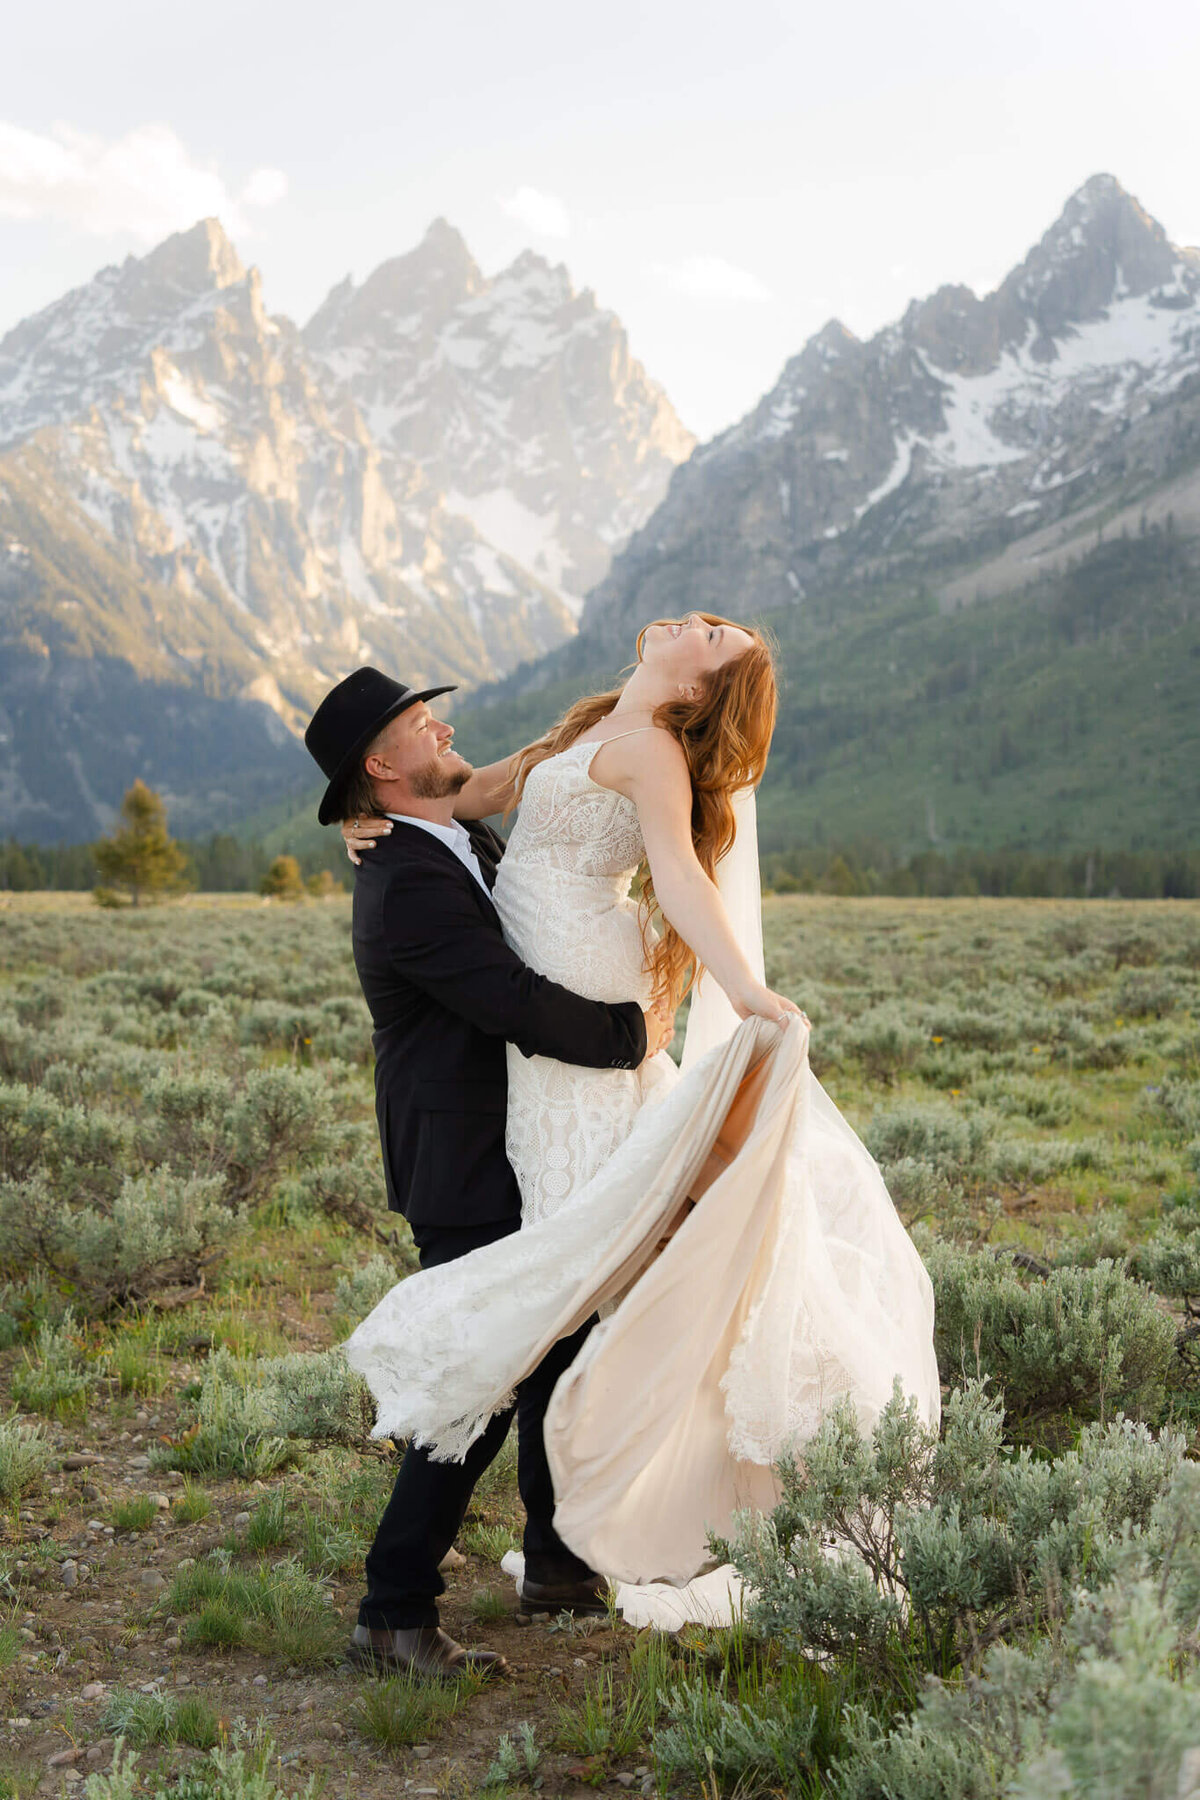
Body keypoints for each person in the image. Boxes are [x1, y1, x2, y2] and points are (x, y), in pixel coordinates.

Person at [339, 616, 942, 1630]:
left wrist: (744, 988)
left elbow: (678, 872)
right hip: (539, 1051)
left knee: (553, 1302)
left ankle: (525, 1567)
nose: (694, 620)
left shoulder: (655, 749)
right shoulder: (582, 730)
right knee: (554, 1310)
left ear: (702, 689)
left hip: (583, 1026)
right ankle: (527, 1568)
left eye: (716, 633)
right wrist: (361, 815)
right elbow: (469, 792)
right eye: (706, 616)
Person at [302, 667, 673, 1680]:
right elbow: (505, 997)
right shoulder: (406, 883)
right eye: (426, 725)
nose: (447, 726)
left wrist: (647, 701)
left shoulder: (438, 838)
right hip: (461, 1155)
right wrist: (631, 1037)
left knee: (556, 1347)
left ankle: (556, 1565)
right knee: (482, 1377)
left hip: (513, 1138)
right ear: (384, 766)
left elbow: (532, 782)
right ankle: (394, 1611)